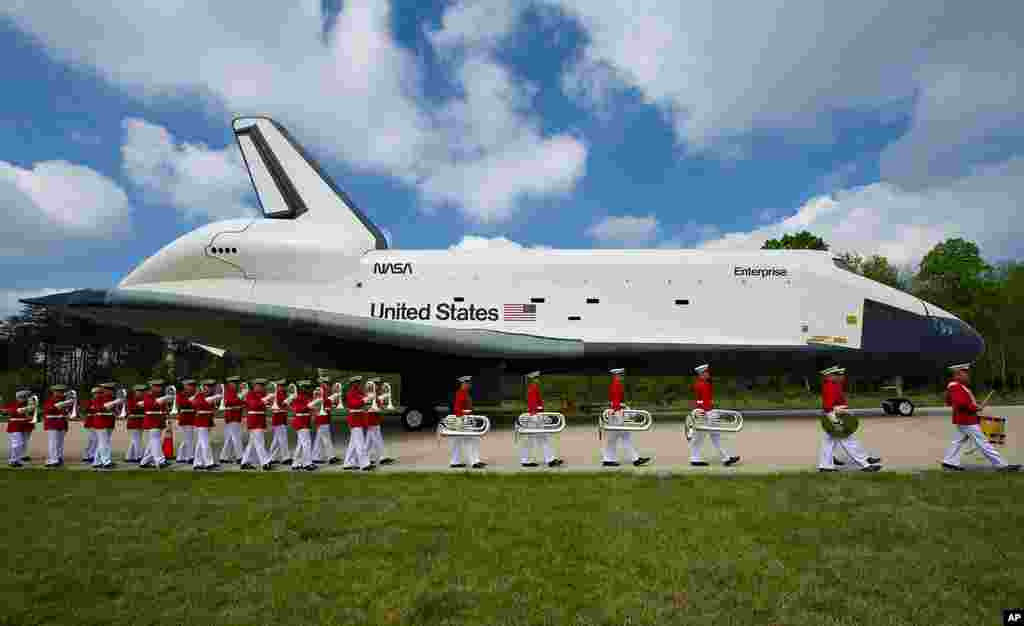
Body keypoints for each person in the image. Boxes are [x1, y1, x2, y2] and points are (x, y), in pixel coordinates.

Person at [941, 363, 1020, 472]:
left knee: (958, 441)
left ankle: (949, 462)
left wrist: (974, 405)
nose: (967, 376)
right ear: (957, 375)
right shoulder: (955, 386)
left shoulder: (956, 387)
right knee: (983, 443)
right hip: (967, 420)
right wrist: (975, 408)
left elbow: (950, 401)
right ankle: (1001, 465)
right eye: (965, 374)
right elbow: (960, 403)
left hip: (963, 419)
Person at [817, 366, 881, 473]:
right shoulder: (830, 386)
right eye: (835, 374)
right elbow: (828, 406)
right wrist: (835, 420)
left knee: (829, 442)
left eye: (838, 374)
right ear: (828, 376)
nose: (838, 376)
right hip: (834, 416)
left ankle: (826, 466)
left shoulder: (832, 384)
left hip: (835, 415)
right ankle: (864, 464)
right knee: (848, 441)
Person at [688, 364, 740, 467]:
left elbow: (706, 400)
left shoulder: (704, 384)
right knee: (699, 438)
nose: (708, 374)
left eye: (708, 372)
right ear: (701, 374)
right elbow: (700, 401)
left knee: (716, 436)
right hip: (704, 413)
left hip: (709, 412)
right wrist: (705, 413)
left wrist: (712, 411)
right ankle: (695, 459)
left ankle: (726, 458)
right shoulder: (701, 384)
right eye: (706, 373)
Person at [602, 368, 650, 467]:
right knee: (621, 437)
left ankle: (610, 459)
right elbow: (616, 401)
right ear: (616, 375)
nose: (621, 376)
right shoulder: (616, 384)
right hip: (617, 413)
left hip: (617, 412)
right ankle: (633, 459)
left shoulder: (616, 384)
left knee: (618, 438)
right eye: (620, 375)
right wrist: (617, 414)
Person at [519, 371, 562, 468]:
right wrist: (537, 415)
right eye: (535, 378)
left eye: (537, 378)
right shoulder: (533, 389)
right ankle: (547, 460)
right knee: (537, 439)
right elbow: (533, 404)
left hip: (536, 415)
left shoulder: (533, 388)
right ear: (532, 380)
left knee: (541, 438)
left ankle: (549, 459)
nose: (537, 380)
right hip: (535, 416)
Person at [450, 375, 485, 469]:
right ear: (463, 384)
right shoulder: (460, 393)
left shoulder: (465, 393)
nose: (469, 384)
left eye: (469, 383)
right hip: (462, 420)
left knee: (463, 441)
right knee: (470, 440)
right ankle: (474, 462)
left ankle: (456, 462)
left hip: (466, 419)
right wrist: (466, 413)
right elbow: (456, 409)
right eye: (467, 383)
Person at [140, 380, 174, 469]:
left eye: (160, 386)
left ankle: (144, 461)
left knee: (153, 442)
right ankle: (160, 461)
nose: (159, 388)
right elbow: (151, 405)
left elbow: (164, 409)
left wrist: (167, 418)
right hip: (151, 420)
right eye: (157, 386)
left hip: (159, 420)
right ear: (152, 387)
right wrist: (165, 398)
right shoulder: (148, 395)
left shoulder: (160, 396)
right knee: (156, 441)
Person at [240, 378, 272, 471]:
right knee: (259, 442)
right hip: (254, 420)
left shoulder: (262, 394)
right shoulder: (250, 394)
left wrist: (268, 402)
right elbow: (253, 405)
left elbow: (264, 406)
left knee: (252, 443)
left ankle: (244, 462)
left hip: (260, 420)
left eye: (263, 386)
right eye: (260, 386)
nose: (262, 387)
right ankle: (265, 462)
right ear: (255, 386)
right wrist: (265, 399)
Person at [363, 377, 395, 466]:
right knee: (377, 440)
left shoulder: (374, 395)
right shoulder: (368, 395)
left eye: (377, 385)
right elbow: (367, 408)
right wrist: (379, 409)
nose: (377, 386)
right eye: (376, 384)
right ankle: (382, 457)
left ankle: (365, 457)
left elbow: (378, 406)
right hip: (371, 420)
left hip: (375, 420)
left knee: (369, 442)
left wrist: (385, 407)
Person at [342, 376, 372, 471]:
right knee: (360, 442)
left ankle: (347, 463)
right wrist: (365, 400)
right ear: (352, 383)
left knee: (353, 443)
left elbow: (364, 402)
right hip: (354, 418)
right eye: (357, 383)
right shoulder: (350, 393)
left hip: (359, 418)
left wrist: (369, 397)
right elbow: (353, 405)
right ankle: (364, 464)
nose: (359, 384)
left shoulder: (359, 392)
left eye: (359, 383)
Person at [192, 380, 222, 471]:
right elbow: (196, 404)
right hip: (201, 421)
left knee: (201, 443)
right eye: (208, 387)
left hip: (207, 421)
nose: (210, 389)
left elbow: (212, 409)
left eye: (211, 387)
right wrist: (211, 399)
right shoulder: (199, 395)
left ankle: (197, 463)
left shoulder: (210, 396)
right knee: (205, 443)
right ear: (204, 387)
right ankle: (209, 463)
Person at [42, 384, 74, 467]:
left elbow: (68, 412)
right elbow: (47, 410)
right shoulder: (50, 400)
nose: (60, 393)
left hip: (62, 423)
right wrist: (60, 405)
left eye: (62, 391)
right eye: (58, 391)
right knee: (53, 442)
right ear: (53, 392)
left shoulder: (66, 400)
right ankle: (53, 460)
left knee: (60, 443)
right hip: (52, 423)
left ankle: (59, 457)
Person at [311, 376, 340, 465]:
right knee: (326, 437)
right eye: (326, 383)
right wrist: (332, 398)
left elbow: (325, 403)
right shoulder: (319, 391)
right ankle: (331, 457)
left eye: (327, 384)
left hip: (325, 416)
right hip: (321, 417)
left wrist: (331, 405)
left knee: (320, 438)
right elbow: (319, 402)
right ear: (322, 383)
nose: (327, 385)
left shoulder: (324, 391)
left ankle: (315, 456)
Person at [91, 382, 120, 469]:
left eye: (111, 390)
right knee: (104, 443)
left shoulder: (113, 398)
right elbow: (99, 409)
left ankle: (96, 461)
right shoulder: (98, 398)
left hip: (109, 422)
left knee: (103, 442)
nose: (110, 391)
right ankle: (106, 461)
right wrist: (113, 403)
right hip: (101, 422)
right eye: (108, 390)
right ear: (104, 390)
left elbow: (115, 412)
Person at [290, 380, 318, 471]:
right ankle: (307, 463)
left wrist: (313, 409)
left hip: (305, 421)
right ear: (300, 388)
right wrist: (310, 406)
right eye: (304, 387)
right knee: (306, 443)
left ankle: (296, 463)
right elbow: (298, 410)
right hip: (300, 422)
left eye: (307, 387)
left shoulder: (307, 397)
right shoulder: (296, 398)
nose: (306, 389)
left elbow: (309, 409)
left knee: (301, 444)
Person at [219, 376, 245, 464]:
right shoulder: (228, 391)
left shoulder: (234, 391)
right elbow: (229, 402)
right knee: (236, 437)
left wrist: (243, 402)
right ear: (230, 383)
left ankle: (223, 457)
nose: (236, 385)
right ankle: (240, 457)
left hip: (235, 416)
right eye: (234, 383)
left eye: (236, 383)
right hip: (232, 416)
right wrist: (241, 396)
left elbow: (239, 402)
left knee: (230, 438)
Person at [5, 390, 32, 468]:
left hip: (25, 426)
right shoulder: (14, 404)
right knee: (17, 443)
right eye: (23, 398)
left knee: (22, 443)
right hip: (15, 426)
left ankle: (18, 459)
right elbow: (11, 412)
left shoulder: (29, 405)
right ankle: (13, 460)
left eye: (26, 397)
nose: (25, 399)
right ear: (18, 398)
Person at [267, 378, 292, 465]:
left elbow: (286, 405)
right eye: (281, 386)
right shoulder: (276, 394)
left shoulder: (282, 393)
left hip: (282, 417)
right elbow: (283, 403)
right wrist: (289, 400)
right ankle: (286, 458)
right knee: (282, 439)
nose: (282, 387)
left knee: (277, 440)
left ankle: (271, 457)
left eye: (283, 386)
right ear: (277, 386)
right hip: (278, 418)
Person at [175, 380, 197, 464]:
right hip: (185, 418)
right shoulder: (181, 394)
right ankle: (190, 457)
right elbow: (182, 404)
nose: (192, 387)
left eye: (193, 386)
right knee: (189, 439)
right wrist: (191, 400)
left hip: (190, 418)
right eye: (190, 386)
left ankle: (180, 457)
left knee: (187, 439)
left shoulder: (190, 394)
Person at [124, 384, 147, 463]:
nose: (141, 393)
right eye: (139, 391)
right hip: (133, 421)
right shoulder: (131, 399)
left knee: (135, 440)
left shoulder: (144, 398)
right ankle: (139, 456)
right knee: (137, 440)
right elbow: (132, 409)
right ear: (135, 391)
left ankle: (129, 456)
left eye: (142, 391)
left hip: (140, 421)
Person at [81, 386, 100, 464]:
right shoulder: (89, 401)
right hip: (90, 423)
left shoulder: (99, 401)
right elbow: (85, 410)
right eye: (96, 393)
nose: (97, 395)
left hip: (96, 423)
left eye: (99, 393)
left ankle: (88, 455)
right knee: (93, 440)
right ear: (93, 394)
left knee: (93, 440)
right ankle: (90, 455)